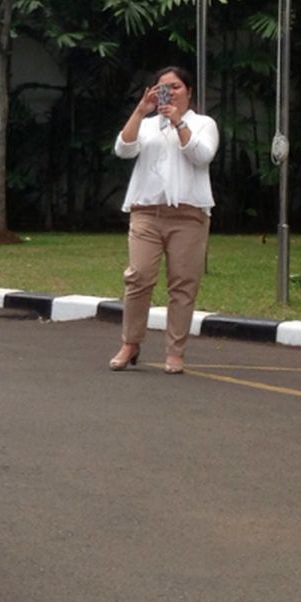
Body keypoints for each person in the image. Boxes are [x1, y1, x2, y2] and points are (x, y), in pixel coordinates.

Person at [109, 66, 219, 375]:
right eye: (161, 88)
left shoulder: (202, 123)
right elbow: (123, 148)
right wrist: (140, 111)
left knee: (183, 283)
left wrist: (178, 121)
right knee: (138, 277)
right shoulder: (146, 125)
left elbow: (201, 155)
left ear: (189, 91)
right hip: (147, 211)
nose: (167, 93)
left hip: (189, 215)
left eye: (175, 87)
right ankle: (130, 342)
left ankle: (175, 351)